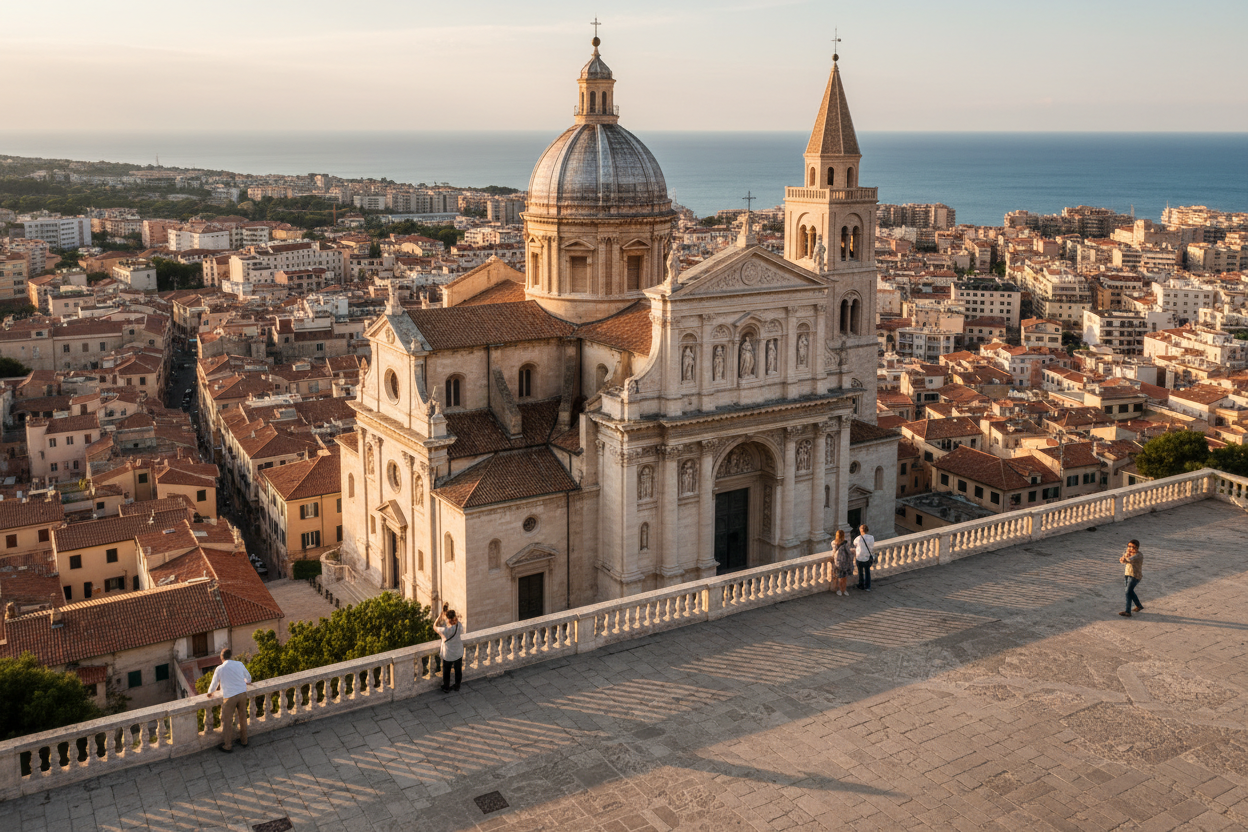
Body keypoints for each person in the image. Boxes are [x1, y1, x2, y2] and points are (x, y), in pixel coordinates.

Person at [206, 648, 252, 753]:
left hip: (230, 696)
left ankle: (227, 745)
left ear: (221, 657)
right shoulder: (239, 664)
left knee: (227, 722)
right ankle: (244, 741)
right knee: (243, 717)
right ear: (231, 655)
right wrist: (245, 681)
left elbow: (214, 684)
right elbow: (248, 678)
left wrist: (210, 692)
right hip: (242, 693)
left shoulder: (220, 669)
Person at [435, 603, 465, 692]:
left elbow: (434, 626)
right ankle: (457, 686)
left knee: (446, 672)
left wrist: (439, 617)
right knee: (458, 670)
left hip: (448, 654)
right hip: (458, 651)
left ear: (447, 619)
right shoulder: (459, 625)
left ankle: (446, 687)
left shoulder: (445, 630)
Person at [1119, 539, 1143, 617]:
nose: (1130, 548)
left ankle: (1128, 611)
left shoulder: (1138, 555)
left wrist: (1126, 556)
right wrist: (1123, 559)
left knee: (1127, 592)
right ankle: (1139, 606)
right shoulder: (1129, 553)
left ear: (1137, 548)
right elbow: (1124, 561)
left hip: (1135, 576)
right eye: (1129, 546)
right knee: (1130, 592)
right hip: (1127, 574)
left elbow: (1130, 560)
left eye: (1133, 547)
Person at [853, 524, 875, 591]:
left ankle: (861, 585)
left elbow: (854, 544)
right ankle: (868, 587)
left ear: (861, 530)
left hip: (859, 557)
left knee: (860, 572)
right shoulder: (871, 537)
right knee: (867, 572)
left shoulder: (858, 538)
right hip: (867, 557)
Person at [832, 529, 853, 596]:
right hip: (845, 562)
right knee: (844, 577)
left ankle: (839, 590)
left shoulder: (833, 543)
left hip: (837, 562)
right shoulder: (846, 543)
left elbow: (834, 552)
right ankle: (844, 590)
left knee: (838, 577)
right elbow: (849, 552)